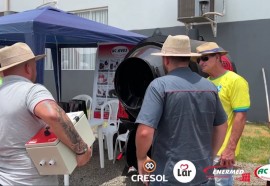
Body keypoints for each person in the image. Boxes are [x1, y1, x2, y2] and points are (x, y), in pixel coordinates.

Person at [135, 35, 228, 185]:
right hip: (202, 176)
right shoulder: (210, 87)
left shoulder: (159, 86)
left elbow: (145, 132)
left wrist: (141, 158)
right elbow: (222, 126)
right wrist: (210, 155)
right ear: (188, 59)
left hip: (168, 176)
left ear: (165, 59)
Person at [0, 43, 92, 185]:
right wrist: (81, 150)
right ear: (28, 67)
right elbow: (53, 115)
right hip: (32, 180)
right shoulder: (30, 90)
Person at [196, 42, 251, 186]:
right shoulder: (204, 83)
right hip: (204, 149)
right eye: (198, 59)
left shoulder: (235, 81)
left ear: (218, 57)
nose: (201, 62)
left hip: (222, 152)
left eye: (205, 58)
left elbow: (240, 116)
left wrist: (230, 149)